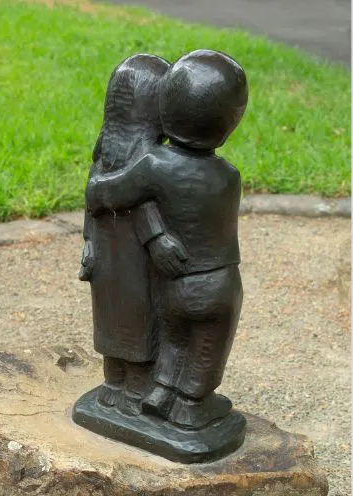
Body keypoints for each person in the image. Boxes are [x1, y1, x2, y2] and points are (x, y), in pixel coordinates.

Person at [86, 49, 248, 430]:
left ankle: (159, 392)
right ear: (230, 123)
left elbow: (107, 194)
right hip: (217, 280)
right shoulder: (230, 176)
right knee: (207, 345)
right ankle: (192, 402)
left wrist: (99, 186)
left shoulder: (152, 164)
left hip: (173, 287)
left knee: (171, 338)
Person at [78, 54, 173, 415]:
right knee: (111, 317)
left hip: (135, 257)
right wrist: (88, 242)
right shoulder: (114, 157)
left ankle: (136, 387)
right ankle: (113, 381)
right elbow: (92, 203)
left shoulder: (148, 159)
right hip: (109, 253)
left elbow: (145, 209)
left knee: (139, 316)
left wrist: (155, 240)